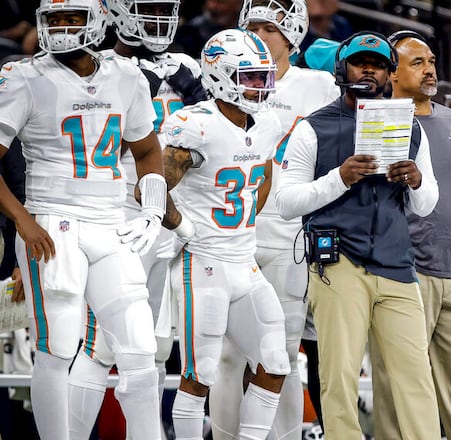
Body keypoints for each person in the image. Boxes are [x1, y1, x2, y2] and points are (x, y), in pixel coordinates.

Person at [0, 0, 168, 438]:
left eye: (71, 18)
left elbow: (148, 152)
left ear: (97, 21)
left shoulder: (127, 76)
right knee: (57, 349)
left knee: (139, 350)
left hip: (111, 223)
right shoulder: (24, 78)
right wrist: (22, 219)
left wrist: (151, 207)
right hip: (53, 222)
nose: (61, 27)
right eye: (54, 19)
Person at [275, 32, 441, 439]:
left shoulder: (410, 127)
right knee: (338, 376)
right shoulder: (313, 128)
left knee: (416, 377)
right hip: (340, 264)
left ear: (390, 74)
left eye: (379, 64)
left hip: (398, 265)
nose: (369, 69)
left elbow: (426, 205)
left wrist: (417, 182)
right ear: (341, 68)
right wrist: (340, 178)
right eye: (359, 62)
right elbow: (286, 201)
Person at [65, 1, 207, 436]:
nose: (158, 19)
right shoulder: (101, 68)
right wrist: (132, 90)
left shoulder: (186, 65)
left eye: (166, 8)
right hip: (118, 218)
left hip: (170, 216)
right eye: (148, 8)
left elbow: (216, 139)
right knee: (103, 345)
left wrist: (200, 106)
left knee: (156, 346)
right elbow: (94, 149)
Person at [208, 1, 340, 439]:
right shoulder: (224, 81)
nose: (259, 36)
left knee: (281, 353)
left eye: (269, 29)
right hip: (233, 235)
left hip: (290, 237)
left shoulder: (318, 85)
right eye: (254, 28)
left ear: (292, 35)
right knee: (225, 356)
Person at [159, 28, 290, 439]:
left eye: (262, 77)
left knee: (275, 363)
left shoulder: (267, 123)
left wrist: (246, 219)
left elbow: (263, 176)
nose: (259, 87)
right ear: (219, 75)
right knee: (201, 373)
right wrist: (184, 228)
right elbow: (152, 187)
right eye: (250, 77)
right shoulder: (194, 124)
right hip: (204, 264)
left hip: (243, 260)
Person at [367, 30, 451, 440]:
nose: (429, 69)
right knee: (399, 391)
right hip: (405, 275)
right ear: (392, 72)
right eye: (417, 63)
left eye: (432, 61)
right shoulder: (377, 121)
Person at [172, 0, 243, 58]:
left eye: (220, 2)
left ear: (238, 4)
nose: (212, 6)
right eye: (210, 1)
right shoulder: (190, 31)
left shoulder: (247, 32)